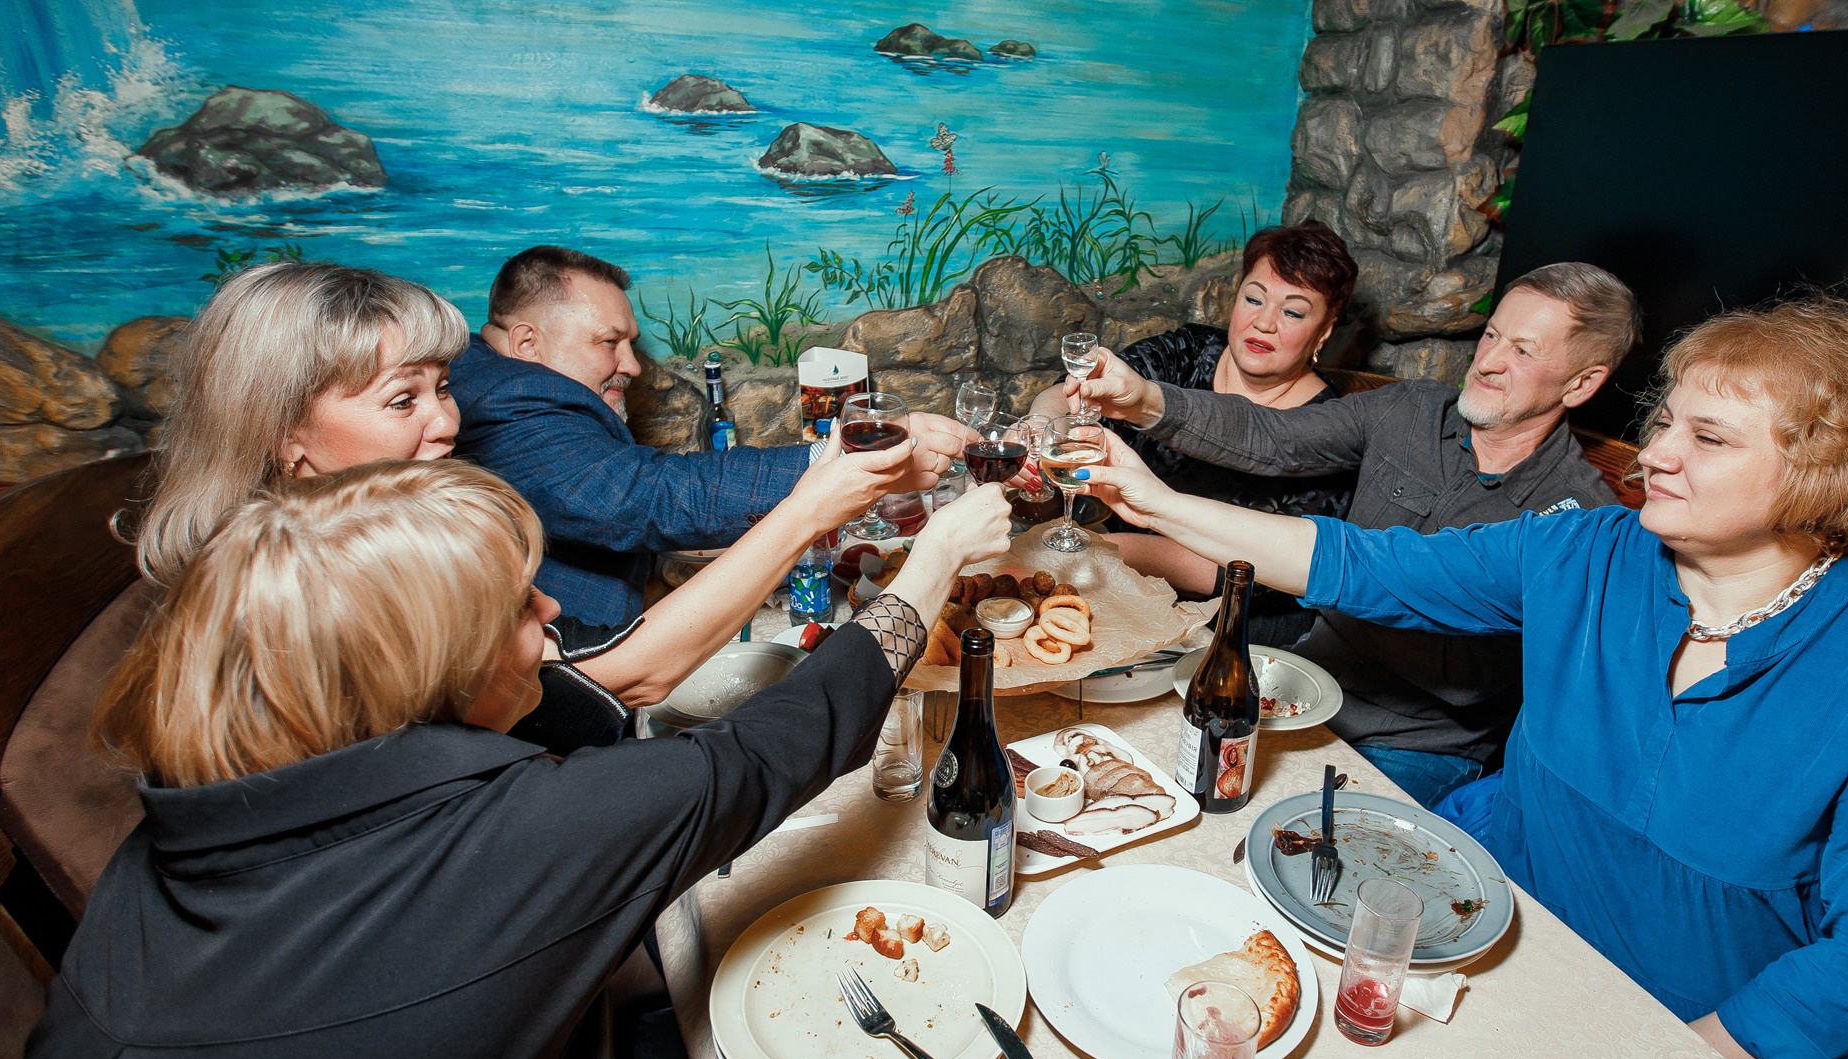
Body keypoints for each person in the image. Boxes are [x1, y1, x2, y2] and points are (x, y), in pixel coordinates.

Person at [1073, 297, 1848, 1059]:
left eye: (1709, 436)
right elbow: (1368, 565)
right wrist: (1151, 498)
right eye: (1664, 423)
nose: (1655, 453)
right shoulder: (1596, 552)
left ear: (1827, 468)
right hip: (1514, 962)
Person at [0, 460, 1012, 1059]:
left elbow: (590, 701)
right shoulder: (512, 842)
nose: (551, 617)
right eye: (517, 609)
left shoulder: (210, 796)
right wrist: (935, 561)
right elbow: (773, 748)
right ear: (425, 675)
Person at [139, 260, 915, 710]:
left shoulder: (369, 537)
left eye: (441, 389)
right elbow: (628, 651)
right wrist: (824, 486)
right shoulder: (305, 604)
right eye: (404, 399)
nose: (447, 423)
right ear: (281, 433)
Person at [1070, 261, 1636, 807]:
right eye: (1491, 335)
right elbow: (1274, 435)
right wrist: (1144, 400)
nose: (1488, 361)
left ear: (1582, 383)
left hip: (1413, 744)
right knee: (1137, 768)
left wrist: (1161, 507)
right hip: (1303, 687)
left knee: (1302, 853)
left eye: (1522, 350)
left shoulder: (1577, 521)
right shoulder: (1411, 409)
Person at [450, 245, 970, 629]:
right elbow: (644, 493)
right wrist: (841, 457)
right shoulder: (504, 399)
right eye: (609, 343)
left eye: (629, 343)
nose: (630, 366)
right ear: (526, 342)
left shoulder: (491, 374)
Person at [1030, 220, 1360, 645]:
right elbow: (1076, 390)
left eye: (1292, 311)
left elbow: (1234, 572)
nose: (1264, 323)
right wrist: (1041, 427)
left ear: (1325, 330)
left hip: (1235, 630)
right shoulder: (1189, 352)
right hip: (1122, 592)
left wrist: (1094, 551)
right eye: (1254, 298)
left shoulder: (1333, 427)